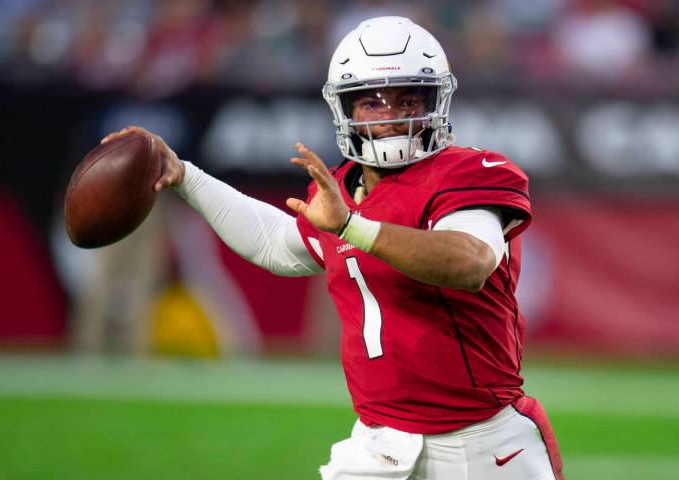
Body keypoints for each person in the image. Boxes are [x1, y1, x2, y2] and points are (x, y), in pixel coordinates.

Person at [103, 16, 563, 480]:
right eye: (371, 102)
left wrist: (352, 227)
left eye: (408, 98)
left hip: (481, 445)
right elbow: (276, 244)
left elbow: (470, 262)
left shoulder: (471, 172)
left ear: (436, 100)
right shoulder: (344, 186)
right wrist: (185, 176)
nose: (390, 116)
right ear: (346, 109)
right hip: (378, 443)